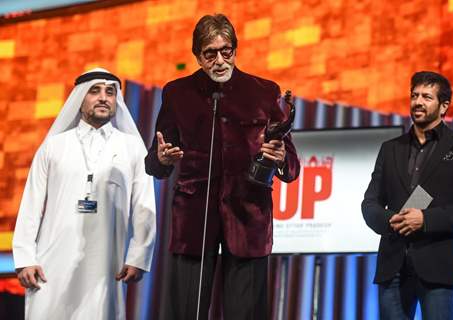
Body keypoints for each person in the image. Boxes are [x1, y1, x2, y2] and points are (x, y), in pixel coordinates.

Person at [145, 14, 300, 320]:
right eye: (210, 53)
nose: (219, 60)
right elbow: (155, 161)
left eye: (225, 51)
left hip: (249, 217)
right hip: (194, 219)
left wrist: (281, 157)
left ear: (235, 50)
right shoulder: (177, 93)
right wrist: (162, 160)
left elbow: (292, 166)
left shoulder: (264, 91)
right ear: (197, 56)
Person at [12, 68, 156, 320]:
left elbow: (145, 204)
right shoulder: (54, 146)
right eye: (95, 91)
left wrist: (139, 256)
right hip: (50, 264)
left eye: (110, 92)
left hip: (105, 266)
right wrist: (25, 257)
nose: (103, 97)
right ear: (79, 98)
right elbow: (31, 204)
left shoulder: (132, 146)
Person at [362, 71, 453, 319]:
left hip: (438, 265)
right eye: (414, 95)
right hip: (392, 265)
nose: (418, 101)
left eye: (427, 97)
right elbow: (370, 202)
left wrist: (426, 219)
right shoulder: (389, 149)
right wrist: (389, 220)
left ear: (444, 107)